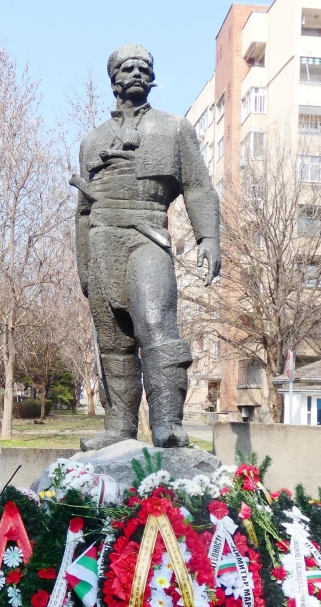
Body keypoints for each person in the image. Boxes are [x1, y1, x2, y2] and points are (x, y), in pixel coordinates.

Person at [72, 44, 221, 450]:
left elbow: (198, 186)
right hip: (102, 241)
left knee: (156, 326)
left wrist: (208, 237)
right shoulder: (91, 141)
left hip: (148, 234)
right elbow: (83, 211)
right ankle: (118, 427)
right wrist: (84, 267)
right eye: (127, 67)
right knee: (113, 341)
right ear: (113, 79)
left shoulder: (174, 128)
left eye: (144, 67)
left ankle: (167, 423)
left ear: (152, 78)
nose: (136, 72)